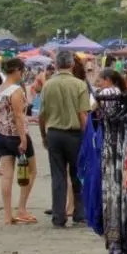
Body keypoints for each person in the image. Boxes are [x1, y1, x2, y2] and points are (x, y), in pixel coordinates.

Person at [38, 50, 91, 228]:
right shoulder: (79, 85)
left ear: (57, 65)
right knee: (78, 174)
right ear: (72, 64)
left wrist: (43, 135)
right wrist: (88, 136)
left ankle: (59, 216)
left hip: (54, 133)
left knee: (58, 176)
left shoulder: (47, 85)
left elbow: (42, 115)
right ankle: (79, 213)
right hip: (75, 135)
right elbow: (82, 114)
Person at [0, 58, 37, 225]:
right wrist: (23, 139)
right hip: (15, 135)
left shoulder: (0, 88)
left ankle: (7, 214)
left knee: (7, 175)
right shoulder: (16, 91)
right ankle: (21, 208)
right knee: (31, 171)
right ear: (18, 70)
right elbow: (19, 116)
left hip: (1, 134)